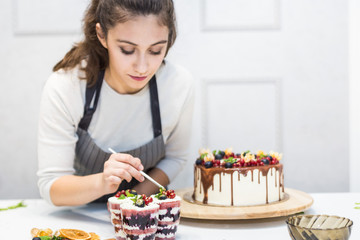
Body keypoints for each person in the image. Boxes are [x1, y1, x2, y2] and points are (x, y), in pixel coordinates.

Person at [37, 0, 194, 206]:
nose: (142, 67)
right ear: (102, 35)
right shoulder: (66, 86)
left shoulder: (178, 85)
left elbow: (175, 158)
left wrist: (130, 204)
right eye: (127, 50)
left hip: (142, 216)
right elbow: (51, 185)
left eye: (155, 51)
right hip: (80, 219)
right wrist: (103, 182)